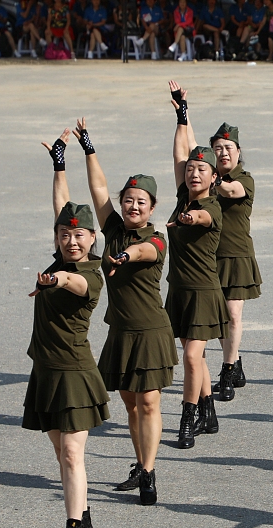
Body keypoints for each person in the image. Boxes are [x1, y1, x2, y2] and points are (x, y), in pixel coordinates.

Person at [72, 118, 177, 507]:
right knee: (131, 402)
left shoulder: (155, 237)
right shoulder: (113, 225)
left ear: (151, 208)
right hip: (120, 330)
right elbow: (98, 188)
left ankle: (149, 472)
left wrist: (123, 255)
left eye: (141, 202)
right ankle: (139, 461)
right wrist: (88, 147)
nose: (132, 205)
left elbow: (145, 253)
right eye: (128, 199)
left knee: (149, 401)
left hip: (150, 331)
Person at [29, 129, 110, 528]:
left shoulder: (89, 274)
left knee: (74, 455)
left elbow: (74, 283)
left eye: (79, 235)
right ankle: (86, 520)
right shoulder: (60, 252)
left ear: (93, 239)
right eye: (65, 234)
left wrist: (54, 280)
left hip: (75, 374)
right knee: (61, 454)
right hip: (45, 370)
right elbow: (61, 205)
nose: (72, 240)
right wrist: (59, 163)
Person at [178, 119, 262, 402]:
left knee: (232, 315)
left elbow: (230, 191)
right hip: (206, 259)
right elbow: (190, 152)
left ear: (238, 152)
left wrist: (213, 177)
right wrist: (184, 117)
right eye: (218, 148)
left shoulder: (243, 180)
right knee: (211, 320)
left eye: (228, 148)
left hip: (236, 256)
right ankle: (234, 361)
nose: (224, 152)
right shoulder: (202, 178)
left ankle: (227, 370)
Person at [167, 81, 229, 449]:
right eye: (191, 170)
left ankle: (187, 417)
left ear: (213, 178)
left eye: (200, 171)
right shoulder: (181, 195)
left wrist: (189, 220)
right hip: (180, 290)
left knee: (191, 356)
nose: (193, 174)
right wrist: (181, 114)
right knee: (196, 356)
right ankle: (209, 410)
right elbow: (179, 153)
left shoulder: (211, 207)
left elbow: (201, 219)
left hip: (205, 293)